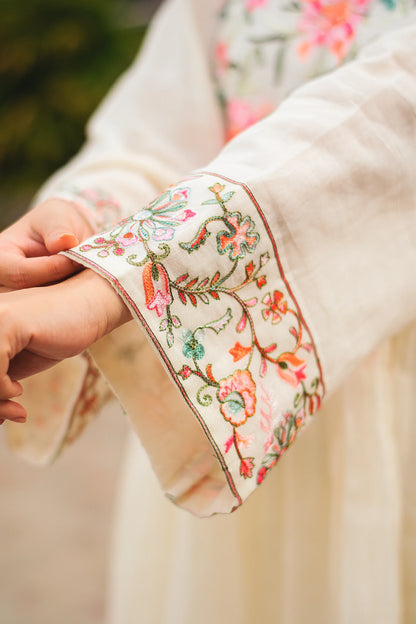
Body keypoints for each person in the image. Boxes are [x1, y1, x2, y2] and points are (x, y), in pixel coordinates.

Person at [1, 0, 416, 621]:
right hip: (229, 399)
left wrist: (110, 286)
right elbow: (154, 134)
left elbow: (386, 123)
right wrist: (78, 228)